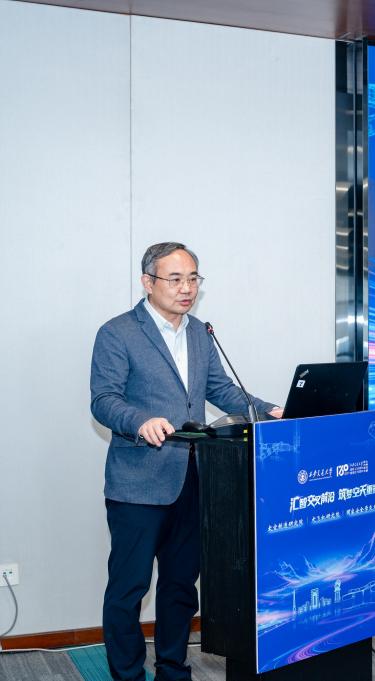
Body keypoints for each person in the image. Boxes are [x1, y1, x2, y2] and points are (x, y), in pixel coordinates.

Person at [90, 242, 282, 681]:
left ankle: (173, 671)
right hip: (138, 483)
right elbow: (104, 400)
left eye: (193, 278)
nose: (187, 288)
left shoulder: (199, 332)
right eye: (175, 279)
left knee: (180, 587)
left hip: (194, 480)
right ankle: (127, 675)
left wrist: (269, 411)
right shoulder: (118, 332)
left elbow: (221, 390)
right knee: (129, 589)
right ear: (148, 282)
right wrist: (140, 421)